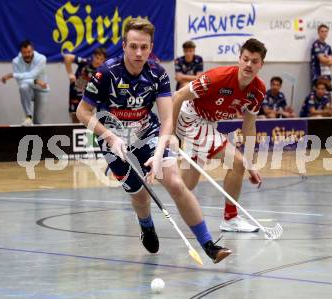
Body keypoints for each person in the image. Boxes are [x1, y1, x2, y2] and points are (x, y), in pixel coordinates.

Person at [76, 17, 231, 263]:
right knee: (139, 194)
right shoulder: (105, 73)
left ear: (151, 47)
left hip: (147, 133)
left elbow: (167, 119)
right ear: (124, 45)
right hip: (112, 139)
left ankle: (209, 245)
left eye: (144, 47)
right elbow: (82, 113)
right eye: (133, 46)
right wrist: (109, 136)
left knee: (175, 183)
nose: (139, 53)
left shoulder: (157, 73)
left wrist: (159, 153)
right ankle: (146, 225)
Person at [172, 38, 265, 233]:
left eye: (254, 61)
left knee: (186, 185)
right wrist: (170, 136)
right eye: (246, 59)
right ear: (239, 59)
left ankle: (146, 185)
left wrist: (251, 162)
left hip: (208, 124)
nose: (249, 65)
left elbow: (249, 125)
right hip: (190, 118)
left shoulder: (258, 91)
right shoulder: (217, 77)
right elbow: (178, 96)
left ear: (261, 65)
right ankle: (230, 219)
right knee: (236, 162)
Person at [1, 40, 49, 125]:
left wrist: (12, 75)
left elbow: (32, 74)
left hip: (41, 89)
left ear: (33, 50)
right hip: (29, 89)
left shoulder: (42, 59)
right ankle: (28, 116)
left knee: (38, 121)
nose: (27, 55)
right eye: (24, 52)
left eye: (29, 52)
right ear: (20, 52)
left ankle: (38, 134)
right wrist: (35, 81)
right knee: (23, 87)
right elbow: (20, 82)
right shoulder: (16, 61)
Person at [64, 48, 107, 123]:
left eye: (101, 59)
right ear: (93, 56)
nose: (98, 61)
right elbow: (67, 57)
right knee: (75, 116)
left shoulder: (103, 69)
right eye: (97, 58)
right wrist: (70, 74)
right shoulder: (85, 62)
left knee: (90, 118)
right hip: (76, 93)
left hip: (91, 96)